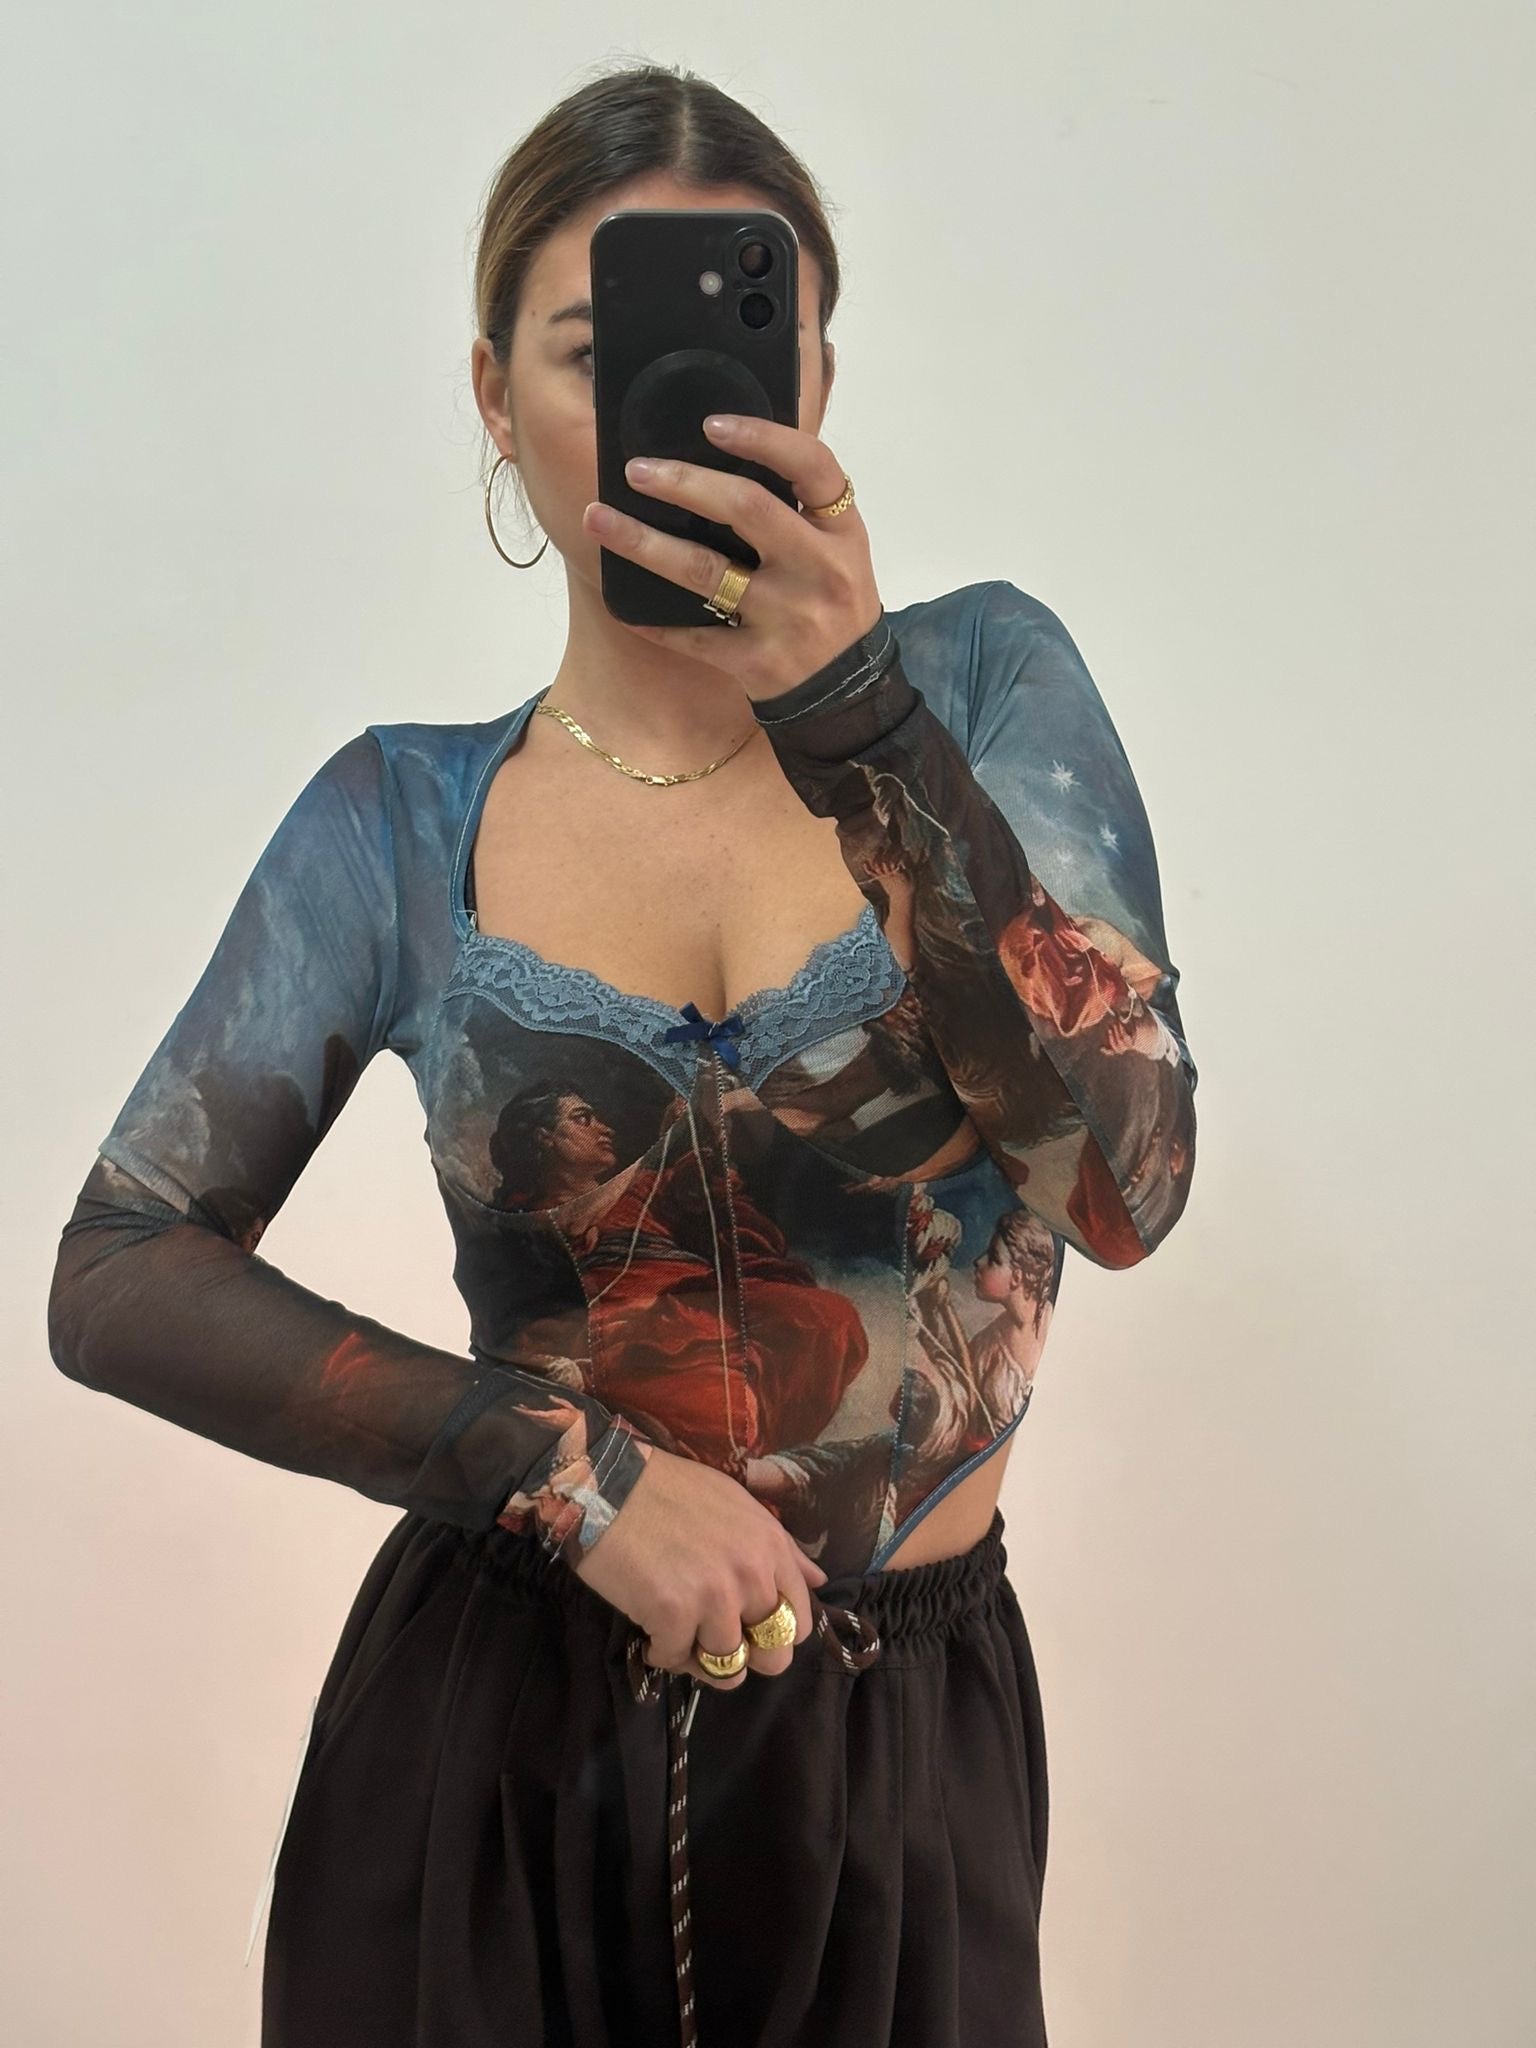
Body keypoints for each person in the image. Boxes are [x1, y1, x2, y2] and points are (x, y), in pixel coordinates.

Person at [46, 60, 1199, 2048]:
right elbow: (120, 1267)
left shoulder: (988, 688)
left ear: (816, 372)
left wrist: (858, 716)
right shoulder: (399, 824)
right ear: (495, 399)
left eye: (740, 342)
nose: (671, 405)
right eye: (593, 352)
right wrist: (566, 1470)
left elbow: (1126, 1186)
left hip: (900, 1759)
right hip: (487, 1756)